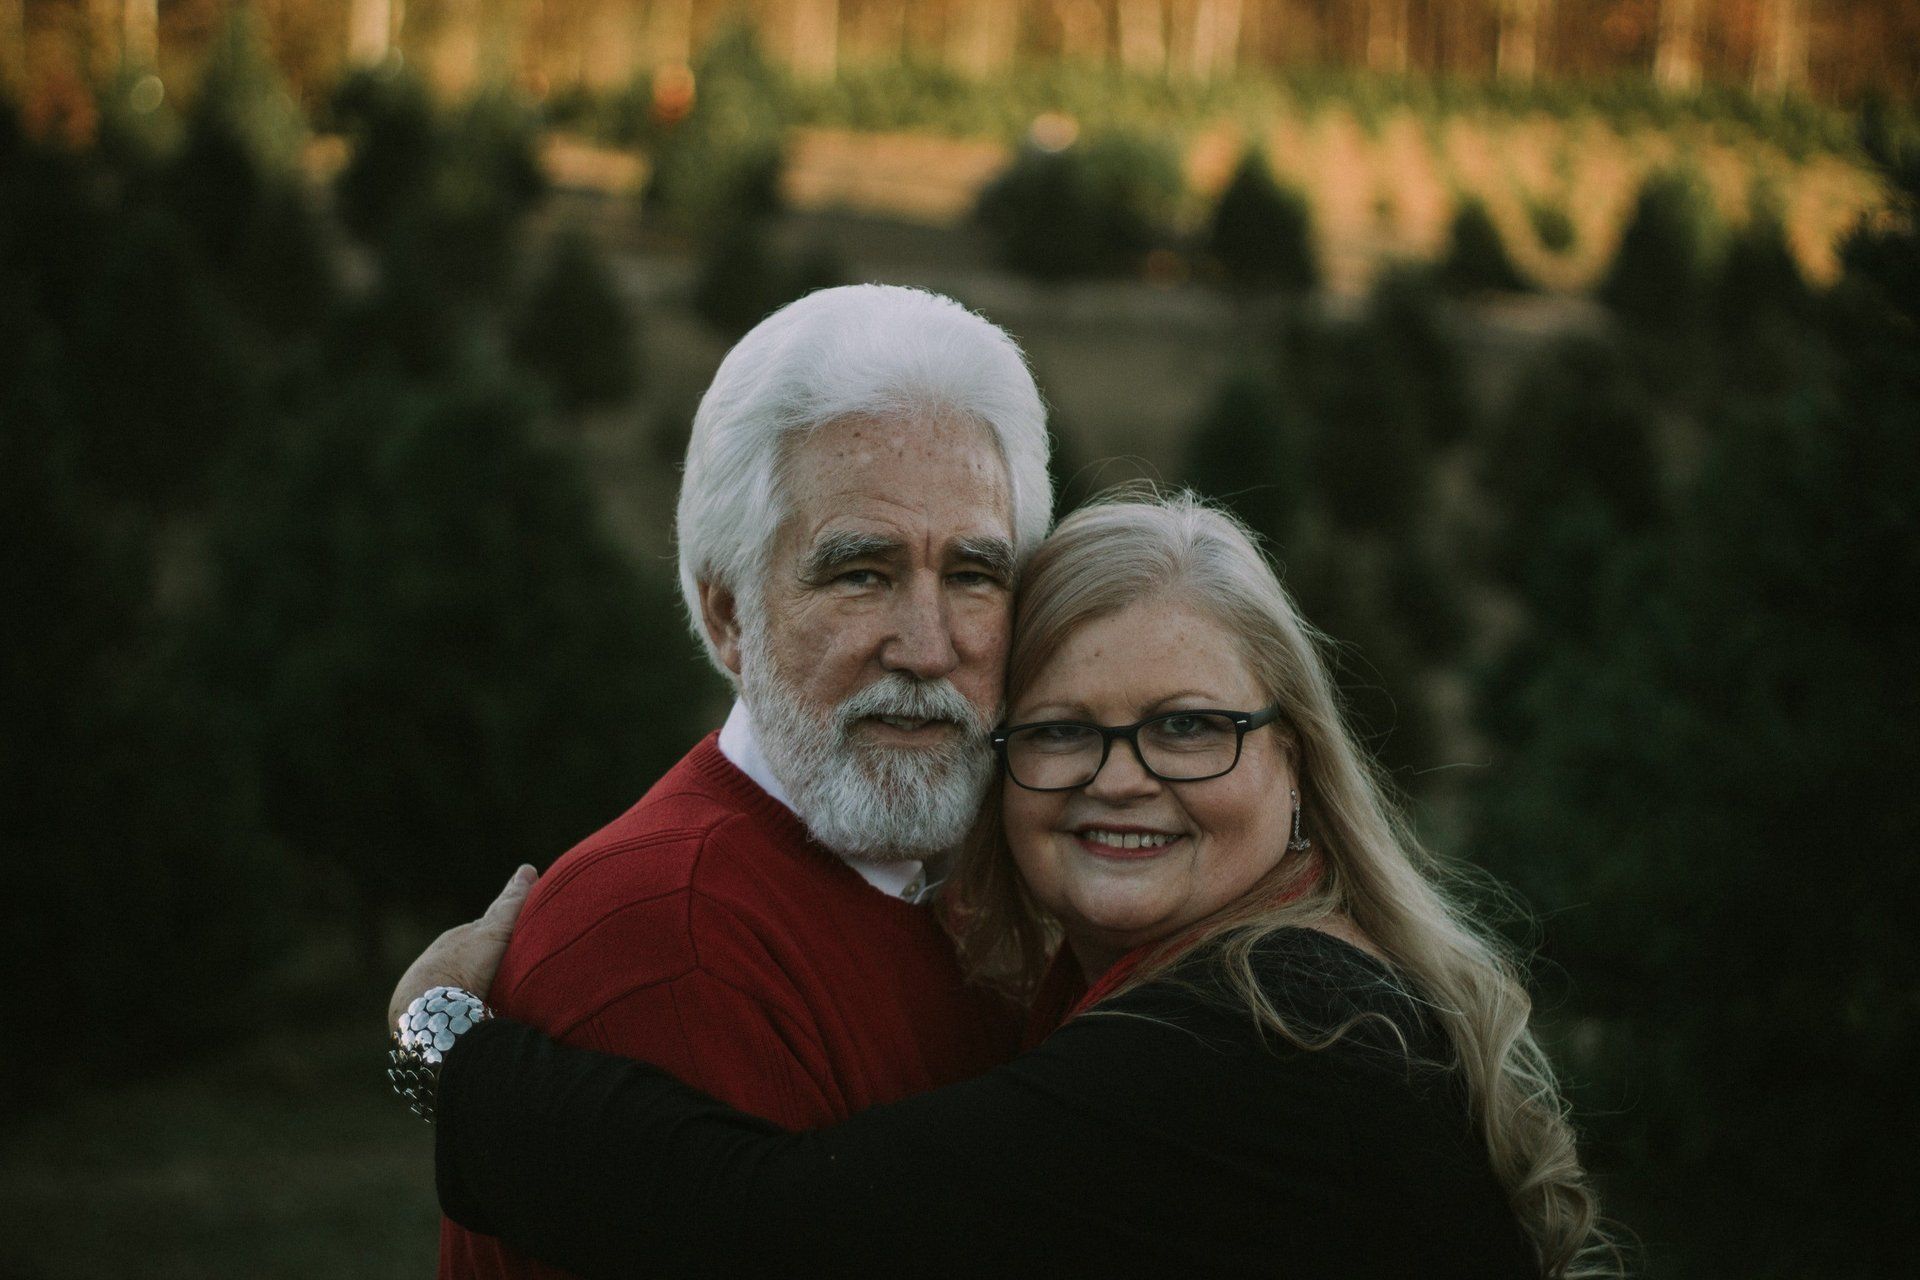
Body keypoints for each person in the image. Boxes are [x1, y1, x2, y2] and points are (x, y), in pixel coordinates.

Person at [395, 495, 1614, 1279]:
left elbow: (768, 1232)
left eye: (1189, 726)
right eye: (1060, 731)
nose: (1121, 780)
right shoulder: (1291, 984)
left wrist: (444, 1044)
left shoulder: (1266, 1035)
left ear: (1295, 756)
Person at [433, 285, 1055, 1277]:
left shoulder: (995, 887)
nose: (931, 645)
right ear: (727, 618)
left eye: (976, 573)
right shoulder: (670, 936)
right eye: (861, 572)